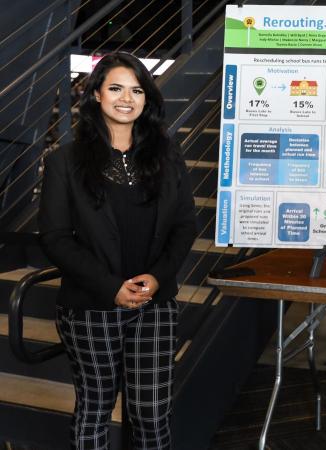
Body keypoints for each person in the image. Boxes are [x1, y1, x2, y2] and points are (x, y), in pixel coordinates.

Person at [38, 52, 196, 449]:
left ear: (147, 99)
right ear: (95, 95)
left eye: (137, 89)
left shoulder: (167, 157)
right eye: (116, 88)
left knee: (152, 413)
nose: (127, 98)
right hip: (91, 305)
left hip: (154, 305)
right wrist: (111, 286)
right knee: (95, 408)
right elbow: (55, 237)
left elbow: (185, 225)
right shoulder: (65, 161)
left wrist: (158, 278)